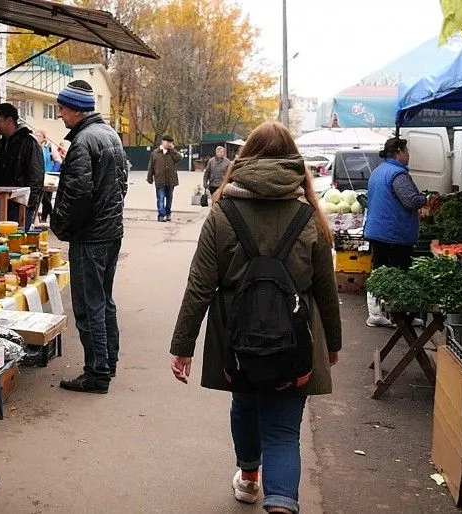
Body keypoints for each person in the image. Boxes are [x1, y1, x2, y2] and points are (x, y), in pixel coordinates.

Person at [169, 121, 341, 514]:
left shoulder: (222, 212)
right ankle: (281, 505)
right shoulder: (309, 215)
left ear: (245, 158)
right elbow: (325, 291)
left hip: (236, 338)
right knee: (282, 431)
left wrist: (182, 348)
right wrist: (333, 344)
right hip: (297, 339)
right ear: (292, 159)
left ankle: (249, 479)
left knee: (245, 403)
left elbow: (199, 286)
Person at [52, 79, 129, 394]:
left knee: (88, 305)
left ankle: (96, 373)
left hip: (91, 237)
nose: (59, 114)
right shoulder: (109, 134)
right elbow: (121, 184)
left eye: (61, 108)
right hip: (111, 232)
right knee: (104, 300)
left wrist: (62, 227)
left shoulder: (84, 141)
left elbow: (78, 194)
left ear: (76, 110)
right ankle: (107, 363)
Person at [363, 137, 426, 327]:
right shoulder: (397, 175)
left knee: (379, 272)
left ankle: (375, 314)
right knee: (399, 276)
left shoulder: (378, 171)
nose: (408, 155)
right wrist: (425, 198)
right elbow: (410, 200)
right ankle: (402, 317)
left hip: (378, 230)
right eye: (406, 152)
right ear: (398, 152)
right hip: (394, 233)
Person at [147, 135, 182, 222]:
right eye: (168, 142)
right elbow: (151, 167)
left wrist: (173, 150)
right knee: (160, 198)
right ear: (163, 142)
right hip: (160, 179)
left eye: (171, 142)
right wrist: (149, 178)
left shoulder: (172, 153)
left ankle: (168, 213)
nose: (169, 144)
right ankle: (161, 215)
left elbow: (179, 158)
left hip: (171, 180)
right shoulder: (155, 153)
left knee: (169, 199)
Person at [35, 129, 62, 222]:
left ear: (44, 137)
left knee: (47, 199)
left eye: (39, 136)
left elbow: (58, 161)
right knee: (40, 198)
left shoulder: (49, 147)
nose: (37, 137)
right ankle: (50, 217)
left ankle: (44, 219)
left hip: (48, 177)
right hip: (37, 177)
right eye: (36, 135)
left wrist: (52, 172)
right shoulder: (34, 146)